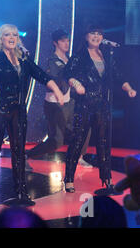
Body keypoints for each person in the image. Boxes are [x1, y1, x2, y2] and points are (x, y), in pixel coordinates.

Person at [0, 24, 65, 206]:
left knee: (19, 150)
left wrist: (57, 91)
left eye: (14, 35)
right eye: (7, 35)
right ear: (0, 39)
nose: (11, 37)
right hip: (0, 107)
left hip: (18, 110)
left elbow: (41, 74)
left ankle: (21, 192)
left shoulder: (24, 58)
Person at [63, 25, 137, 193]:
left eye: (99, 34)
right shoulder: (80, 56)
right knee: (77, 141)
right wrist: (76, 84)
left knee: (104, 141)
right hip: (85, 104)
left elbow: (117, 75)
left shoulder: (106, 55)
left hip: (102, 104)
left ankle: (106, 179)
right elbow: (68, 73)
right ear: (86, 36)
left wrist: (129, 88)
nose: (96, 37)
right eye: (92, 33)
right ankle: (68, 178)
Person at [26, 30, 92, 167]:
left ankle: (78, 157)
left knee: (84, 126)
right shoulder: (53, 61)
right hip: (55, 104)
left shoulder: (70, 59)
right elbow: (59, 78)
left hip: (70, 103)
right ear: (55, 43)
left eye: (67, 40)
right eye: (62, 41)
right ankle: (28, 155)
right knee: (56, 141)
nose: (66, 43)